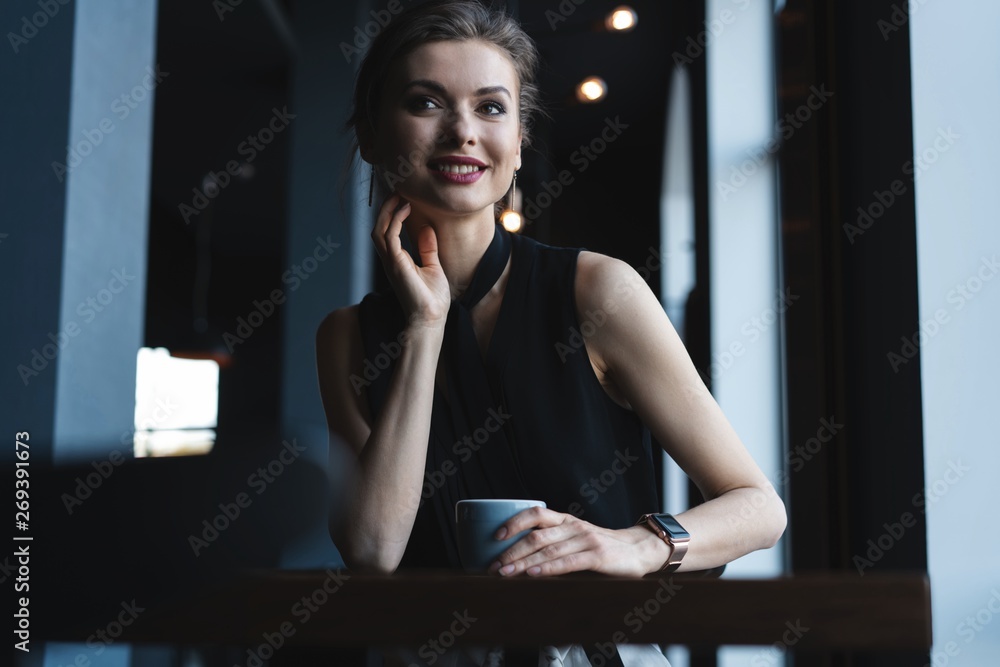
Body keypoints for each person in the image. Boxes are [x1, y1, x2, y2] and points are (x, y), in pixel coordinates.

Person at [315, 1, 786, 664]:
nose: (461, 132)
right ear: (371, 133)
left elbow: (759, 507)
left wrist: (638, 543)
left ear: (519, 142)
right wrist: (425, 324)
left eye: (490, 107)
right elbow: (372, 550)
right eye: (425, 103)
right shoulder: (346, 336)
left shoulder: (598, 291)